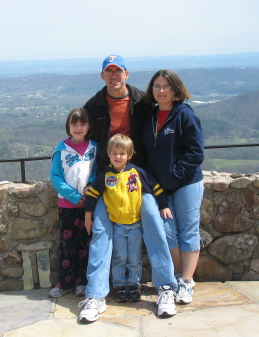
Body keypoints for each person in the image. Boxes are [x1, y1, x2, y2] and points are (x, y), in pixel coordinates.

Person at [78, 55, 178, 323]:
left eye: (118, 71)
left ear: (126, 73)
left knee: (155, 225)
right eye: (108, 72)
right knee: (100, 232)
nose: (114, 76)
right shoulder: (94, 105)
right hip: (106, 178)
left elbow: (166, 118)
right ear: (102, 76)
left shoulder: (142, 100)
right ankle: (96, 295)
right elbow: (82, 138)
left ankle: (166, 288)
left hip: (139, 177)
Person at [83, 134, 172, 304]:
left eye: (122, 153)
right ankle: (119, 286)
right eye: (114, 153)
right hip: (117, 225)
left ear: (129, 155)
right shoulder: (105, 176)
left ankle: (134, 285)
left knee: (134, 258)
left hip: (135, 225)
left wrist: (163, 205)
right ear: (108, 154)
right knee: (119, 258)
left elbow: (155, 187)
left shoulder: (137, 173)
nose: (118, 157)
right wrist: (88, 215)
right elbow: (92, 194)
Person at [142, 69, 205, 305]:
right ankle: (179, 275)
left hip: (187, 183)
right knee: (167, 231)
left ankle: (187, 281)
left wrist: (175, 174)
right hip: (161, 187)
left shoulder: (185, 115)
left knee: (188, 230)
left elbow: (195, 152)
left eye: (165, 86)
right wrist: (155, 181)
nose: (160, 91)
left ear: (175, 89)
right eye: (156, 86)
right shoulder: (150, 116)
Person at [49, 107, 98, 298]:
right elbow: (56, 177)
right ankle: (64, 283)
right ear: (68, 126)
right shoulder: (61, 149)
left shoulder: (94, 147)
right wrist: (75, 197)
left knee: (86, 244)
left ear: (88, 126)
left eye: (82, 124)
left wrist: (91, 188)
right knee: (67, 246)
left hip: (89, 206)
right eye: (74, 124)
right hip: (68, 206)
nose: (78, 128)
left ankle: (82, 282)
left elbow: (96, 171)